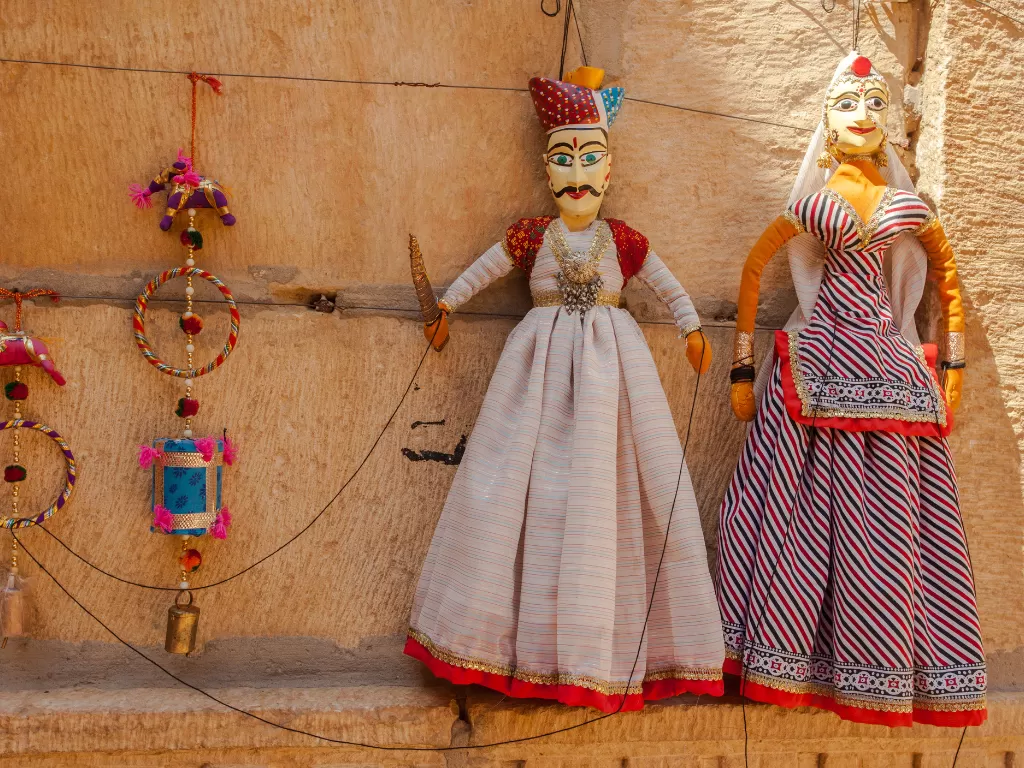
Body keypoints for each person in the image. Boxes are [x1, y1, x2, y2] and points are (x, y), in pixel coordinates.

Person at [404, 67, 725, 712]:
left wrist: (691, 326)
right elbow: (484, 270)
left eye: (589, 159)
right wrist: (448, 304)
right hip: (537, 370)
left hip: (615, 376)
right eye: (563, 159)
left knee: (620, 486)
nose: (577, 174)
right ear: (548, 171)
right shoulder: (530, 235)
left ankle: (603, 646)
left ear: (607, 171)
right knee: (521, 487)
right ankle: (506, 640)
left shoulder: (624, 240)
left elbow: (668, 286)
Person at [716, 52, 986, 727]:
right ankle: (782, 645)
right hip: (820, 347)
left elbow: (947, 284)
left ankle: (883, 654)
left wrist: (952, 374)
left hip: (888, 359)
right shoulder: (813, 204)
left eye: (874, 103)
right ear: (827, 124)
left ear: (888, 124)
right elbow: (754, 270)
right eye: (847, 102)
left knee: (894, 512)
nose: (863, 113)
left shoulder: (906, 207)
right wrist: (742, 367)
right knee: (787, 502)